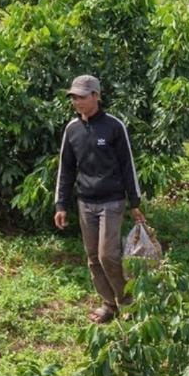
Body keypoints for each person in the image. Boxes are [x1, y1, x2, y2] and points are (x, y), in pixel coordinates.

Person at [53, 74, 146, 323]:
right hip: (85, 202)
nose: (77, 102)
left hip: (113, 201)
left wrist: (134, 202)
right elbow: (66, 169)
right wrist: (61, 204)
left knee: (107, 255)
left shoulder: (114, 127)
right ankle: (108, 304)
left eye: (82, 97)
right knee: (93, 257)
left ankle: (126, 302)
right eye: (73, 97)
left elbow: (128, 166)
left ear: (96, 96)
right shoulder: (72, 130)